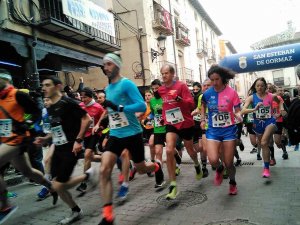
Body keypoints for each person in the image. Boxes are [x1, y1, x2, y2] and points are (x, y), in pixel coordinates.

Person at [98, 52, 163, 225]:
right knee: (104, 170)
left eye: (109, 64)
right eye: (104, 65)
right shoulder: (107, 89)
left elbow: (141, 105)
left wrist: (119, 107)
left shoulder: (126, 84)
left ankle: (156, 166)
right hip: (115, 134)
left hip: (133, 134)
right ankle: (108, 215)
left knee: (141, 169)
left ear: (117, 65)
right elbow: (111, 111)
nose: (106, 68)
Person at [34, 76, 95, 224]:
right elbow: (56, 128)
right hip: (58, 148)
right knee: (56, 186)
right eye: (43, 85)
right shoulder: (50, 106)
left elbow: (87, 119)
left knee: (57, 185)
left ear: (57, 86)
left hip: (70, 148)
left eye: (47, 85)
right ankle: (76, 211)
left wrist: (79, 140)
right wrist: (46, 138)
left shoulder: (68, 102)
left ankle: (87, 176)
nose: (44, 88)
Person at [0, 72, 57, 224]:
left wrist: (28, 123)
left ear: (4, 80)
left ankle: (5, 206)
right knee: (28, 171)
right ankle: (50, 186)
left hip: (18, 140)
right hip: (4, 141)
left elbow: (36, 111)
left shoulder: (17, 94)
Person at [158, 64, 203, 200]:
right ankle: (173, 185)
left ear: (172, 74)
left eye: (166, 73)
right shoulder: (161, 90)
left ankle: (196, 164)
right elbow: (166, 106)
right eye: (162, 73)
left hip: (185, 123)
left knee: (190, 151)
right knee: (169, 150)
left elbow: (191, 105)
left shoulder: (181, 86)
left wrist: (179, 99)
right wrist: (164, 118)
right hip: (171, 124)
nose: (164, 76)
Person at [200, 65, 241, 195]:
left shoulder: (232, 92)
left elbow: (238, 110)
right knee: (212, 159)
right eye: (212, 80)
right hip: (213, 130)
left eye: (217, 79)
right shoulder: (207, 93)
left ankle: (232, 182)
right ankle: (219, 168)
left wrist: (238, 115)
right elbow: (203, 105)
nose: (214, 83)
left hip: (228, 130)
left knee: (229, 162)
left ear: (222, 78)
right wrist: (202, 119)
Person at [240, 77, 277, 178]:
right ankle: (267, 164)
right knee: (263, 144)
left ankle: (266, 169)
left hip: (270, 121)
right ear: (255, 87)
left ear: (265, 86)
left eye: (262, 85)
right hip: (258, 123)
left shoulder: (271, 96)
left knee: (264, 142)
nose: (260, 87)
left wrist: (280, 110)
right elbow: (243, 111)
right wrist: (254, 109)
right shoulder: (251, 97)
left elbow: (279, 100)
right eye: (257, 86)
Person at [76, 87, 105, 193]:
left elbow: (104, 120)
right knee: (91, 157)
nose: (83, 99)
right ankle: (111, 159)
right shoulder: (80, 106)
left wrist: (99, 127)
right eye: (82, 97)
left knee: (87, 154)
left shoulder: (98, 107)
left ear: (91, 96)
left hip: (95, 134)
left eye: (85, 97)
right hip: (85, 134)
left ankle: (84, 182)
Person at [150, 79, 166, 187]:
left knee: (170, 149)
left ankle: (177, 157)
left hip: (169, 129)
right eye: (153, 89)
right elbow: (152, 113)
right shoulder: (151, 101)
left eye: (157, 88)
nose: (155, 90)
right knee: (158, 152)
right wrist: (148, 118)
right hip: (158, 129)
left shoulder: (165, 98)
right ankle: (159, 179)